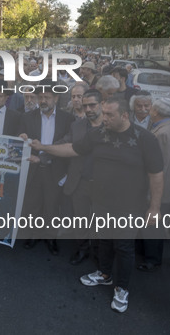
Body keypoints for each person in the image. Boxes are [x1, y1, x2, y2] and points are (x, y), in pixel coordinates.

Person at [31, 97, 163, 313]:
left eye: (110, 115)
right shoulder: (99, 134)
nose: (105, 118)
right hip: (101, 202)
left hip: (129, 206)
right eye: (104, 113)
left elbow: (156, 175)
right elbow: (72, 149)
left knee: (123, 247)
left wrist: (155, 208)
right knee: (103, 241)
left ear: (124, 115)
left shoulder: (145, 139)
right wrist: (42, 147)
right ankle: (104, 274)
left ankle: (122, 288)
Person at [19, 81, 74, 255]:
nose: (43, 100)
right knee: (34, 203)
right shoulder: (27, 117)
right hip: (34, 169)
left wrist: (43, 156)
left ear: (56, 98)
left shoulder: (67, 119)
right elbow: (21, 139)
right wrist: (21, 136)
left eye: (47, 97)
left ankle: (51, 236)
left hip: (55, 169)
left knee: (52, 205)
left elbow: (67, 144)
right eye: (40, 97)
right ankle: (35, 234)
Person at [58, 89, 103, 265]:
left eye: (92, 105)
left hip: (103, 184)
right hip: (80, 181)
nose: (88, 109)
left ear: (101, 104)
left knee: (102, 221)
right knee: (81, 219)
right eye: (85, 106)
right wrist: (41, 149)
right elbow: (64, 143)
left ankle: (100, 254)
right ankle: (83, 249)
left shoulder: (111, 126)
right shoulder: (77, 126)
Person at [137, 97, 170, 272]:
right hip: (164, 187)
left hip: (157, 189)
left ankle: (152, 259)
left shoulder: (163, 133)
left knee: (153, 227)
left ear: (155, 111)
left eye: (151, 108)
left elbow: (157, 167)